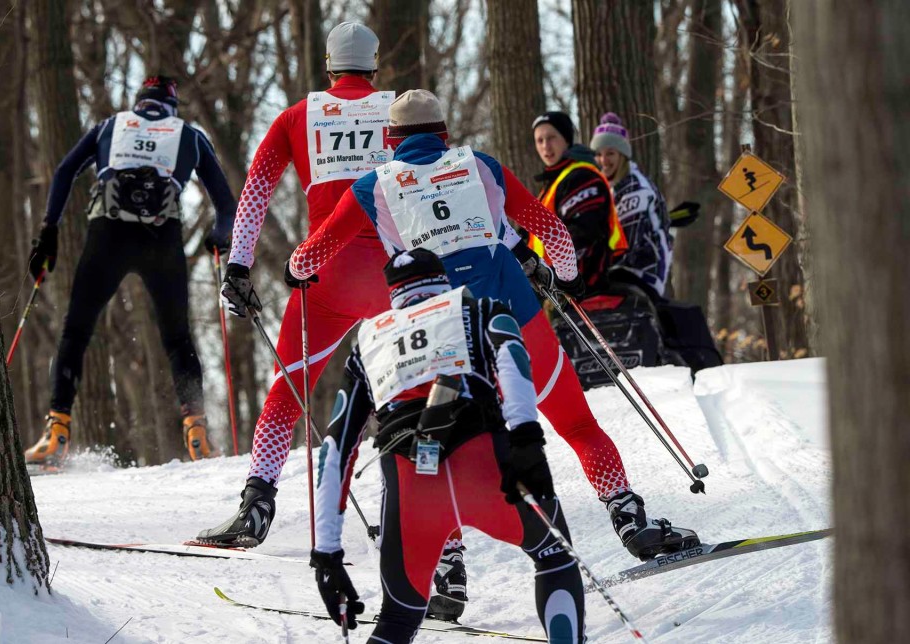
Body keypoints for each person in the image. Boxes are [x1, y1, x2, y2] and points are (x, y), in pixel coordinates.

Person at [288, 89, 698, 619]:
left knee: (440, 441)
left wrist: (297, 271)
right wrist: (560, 273)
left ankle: (449, 571)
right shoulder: (478, 165)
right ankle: (629, 519)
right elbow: (550, 231)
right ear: (444, 135)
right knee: (576, 423)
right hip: (516, 316)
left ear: (389, 141)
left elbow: (311, 254)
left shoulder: (374, 185)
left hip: (440, 337)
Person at [310, 248, 586, 644]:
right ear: (443, 281)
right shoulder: (477, 307)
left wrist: (327, 554)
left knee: (399, 618)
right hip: (484, 466)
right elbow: (512, 358)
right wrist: (527, 440)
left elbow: (336, 448)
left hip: (412, 491)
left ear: (393, 293)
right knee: (554, 557)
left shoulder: (367, 342)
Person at [196, 23, 396, 546]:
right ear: (374, 67)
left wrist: (237, 267)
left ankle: (257, 503)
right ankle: (426, 521)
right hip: (397, 275)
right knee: (407, 391)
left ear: (328, 66)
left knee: (288, 392)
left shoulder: (297, 116)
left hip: (325, 274)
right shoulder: (399, 112)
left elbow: (257, 189)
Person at [24, 76, 236, 467]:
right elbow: (226, 203)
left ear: (139, 103)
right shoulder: (188, 135)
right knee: (177, 337)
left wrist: (48, 232)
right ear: (171, 106)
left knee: (77, 329)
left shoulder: (111, 126)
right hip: (163, 238)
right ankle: (197, 432)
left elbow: (63, 172)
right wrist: (218, 237)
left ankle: (56, 430)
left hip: (108, 234)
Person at [530, 111, 627, 292]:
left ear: (566, 139)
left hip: (577, 288)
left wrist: (564, 283)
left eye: (552, 138)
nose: (546, 146)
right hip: (548, 286)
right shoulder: (554, 182)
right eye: (539, 140)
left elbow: (582, 236)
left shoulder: (581, 178)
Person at [590, 113, 673, 300]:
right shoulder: (609, 189)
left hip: (642, 274)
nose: (604, 160)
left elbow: (626, 245)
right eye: (599, 154)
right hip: (622, 272)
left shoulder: (635, 189)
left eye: (610, 153)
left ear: (623, 156)